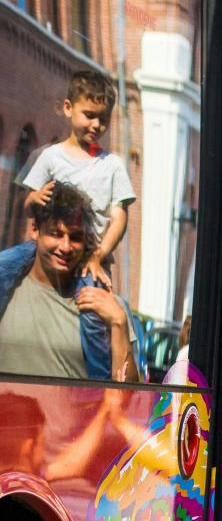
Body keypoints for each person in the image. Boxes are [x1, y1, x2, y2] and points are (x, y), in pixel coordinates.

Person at [0, 182, 139, 381]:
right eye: (56, 234)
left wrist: (119, 322)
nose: (65, 247)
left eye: (75, 237)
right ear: (35, 230)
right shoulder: (6, 286)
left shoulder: (105, 306)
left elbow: (130, 399)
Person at [19, 71, 135, 290]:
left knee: (93, 307)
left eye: (103, 119)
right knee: (5, 266)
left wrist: (100, 255)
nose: (96, 125)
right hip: (49, 250)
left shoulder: (113, 166)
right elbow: (27, 207)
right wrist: (35, 198)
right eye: (89, 115)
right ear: (68, 108)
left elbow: (119, 220)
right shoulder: (51, 156)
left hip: (88, 258)